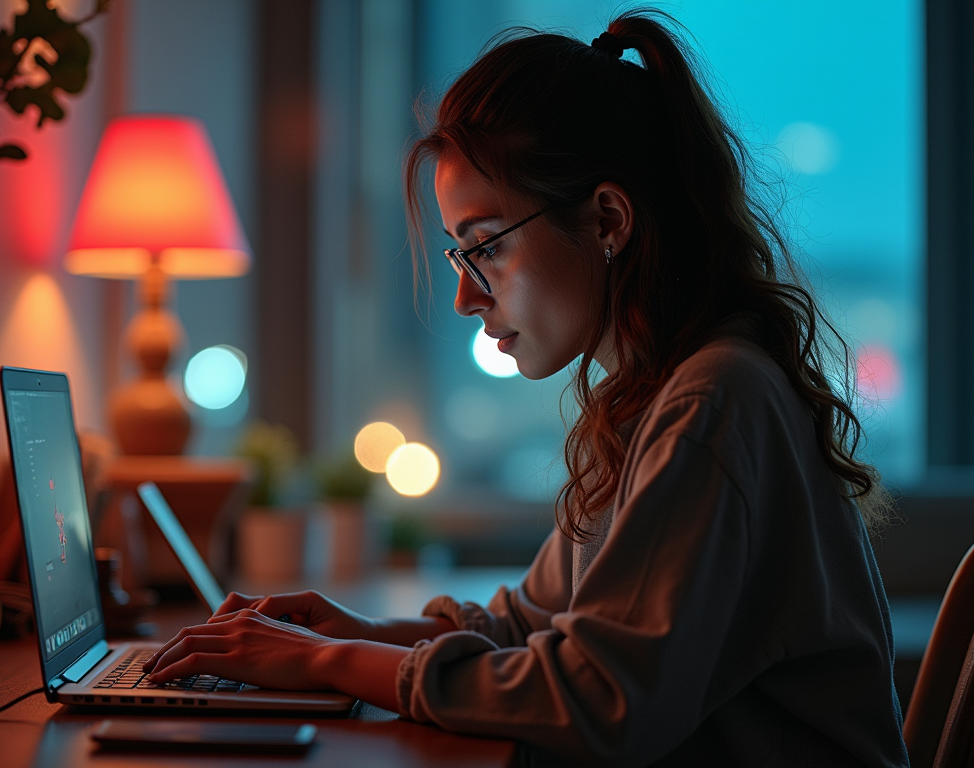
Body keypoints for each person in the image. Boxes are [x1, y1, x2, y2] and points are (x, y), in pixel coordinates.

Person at [144, 9, 910, 766]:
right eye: (460, 255)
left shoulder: (714, 402)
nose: (465, 297)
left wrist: (319, 663)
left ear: (608, 220)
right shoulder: (652, 398)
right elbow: (534, 627)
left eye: (487, 248)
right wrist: (353, 634)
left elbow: (598, 700)